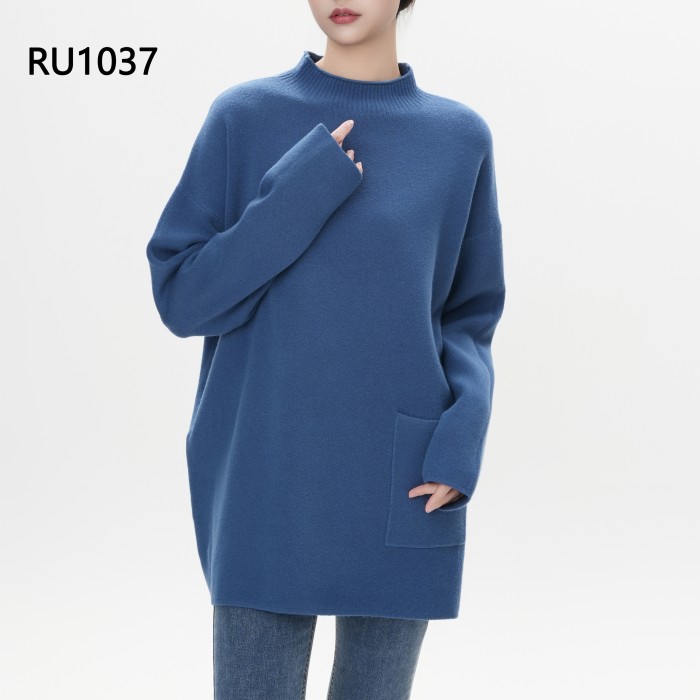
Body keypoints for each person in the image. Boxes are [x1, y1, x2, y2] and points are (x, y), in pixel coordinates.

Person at [145, 1, 506, 697]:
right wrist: (297, 196)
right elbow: (184, 300)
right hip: (263, 466)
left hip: (405, 473)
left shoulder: (458, 138)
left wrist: (461, 440)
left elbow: (469, 315)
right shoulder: (244, 117)